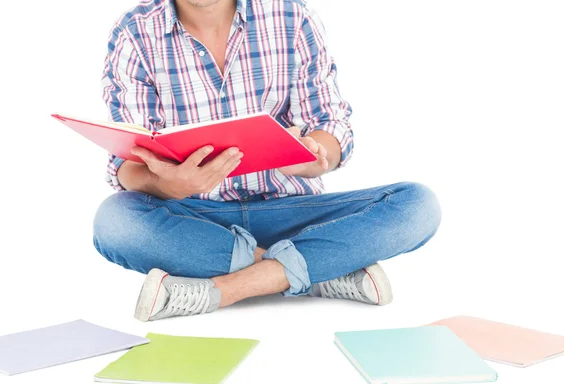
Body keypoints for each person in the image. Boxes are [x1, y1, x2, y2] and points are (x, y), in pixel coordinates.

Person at [93, 0, 441, 321]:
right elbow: (127, 164)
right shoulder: (134, 31)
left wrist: (310, 154)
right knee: (115, 222)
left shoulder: (290, 15)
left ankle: (226, 289)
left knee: (418, 205)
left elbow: (331, 128)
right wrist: (165, 183)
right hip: (197, 220)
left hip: (295, 212)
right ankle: (321, 272)